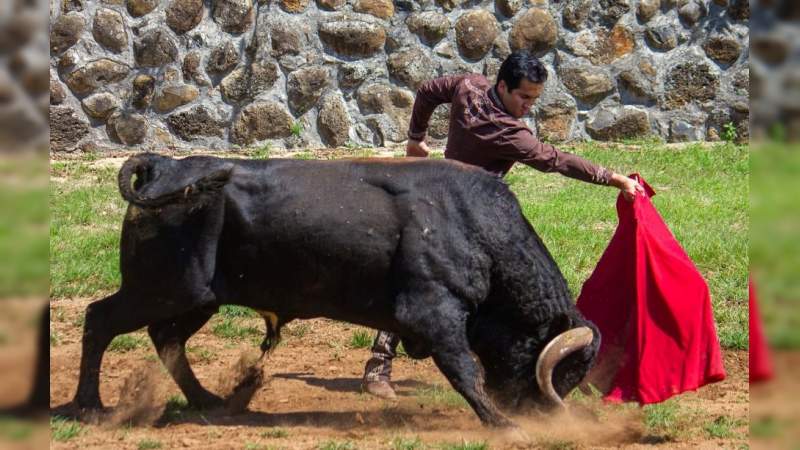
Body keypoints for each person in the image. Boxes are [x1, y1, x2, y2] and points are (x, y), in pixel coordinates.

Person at [361, 50, 644, 400]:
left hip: (441, 202)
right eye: (523, 97)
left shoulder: (469, 86)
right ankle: (382, 365)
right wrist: (616, 179)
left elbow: (429, 90)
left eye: (534, 99)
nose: (528, 106)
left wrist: (416, 138)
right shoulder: (509, 133)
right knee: (424, 285)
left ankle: (473, 365)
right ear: (503, 86)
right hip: (468, 217)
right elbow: (556, 161)